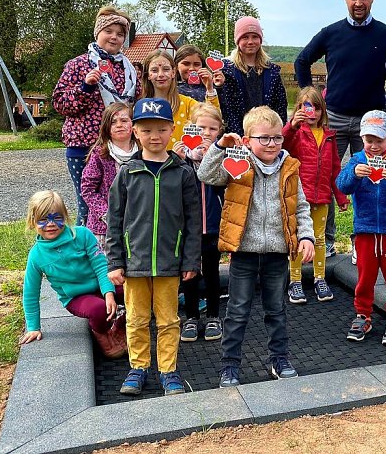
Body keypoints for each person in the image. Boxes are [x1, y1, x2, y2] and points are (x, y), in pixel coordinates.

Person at [197, 106, 315, 387]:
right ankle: (230, 365)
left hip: (277, 253)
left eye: (276, 138)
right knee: (237, 311)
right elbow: (206, 175)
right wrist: (219, 146)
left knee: (276, 309)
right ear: (248, 140)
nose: (272, 143)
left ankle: (279, 358)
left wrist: (307, 236)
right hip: (243, 252)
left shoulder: (290, 167)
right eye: (264, 138)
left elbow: (300, 207)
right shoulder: (238, 163)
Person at [295, 0, 386, 257]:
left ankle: (363, 241)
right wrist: (310, 98)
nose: (359, 2)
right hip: (333, 116)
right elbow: (302, 60)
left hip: (373, 121)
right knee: (324, 180)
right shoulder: (331, 33)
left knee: (372, 180)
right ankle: (325, 240)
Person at [105, 98, 202, 395]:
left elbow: (193, 221)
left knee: (169, 319)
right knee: (135, 318)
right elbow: (115, 220)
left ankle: (168, 370)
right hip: (134, 263)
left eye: (161, 129)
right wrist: (115, 261)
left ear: (172, 129)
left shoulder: (183, 172)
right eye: (147, 130)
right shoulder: (128, 172)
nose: (155, 136)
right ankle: (139, 367)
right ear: (135, 132)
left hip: (169, 263)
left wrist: (190, 260)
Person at [52, 6, 140, 225]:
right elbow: (60, 103)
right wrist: (85, 87)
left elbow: (137, 104)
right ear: (97, 33)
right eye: (109, 31)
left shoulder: (129, 70)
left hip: (120, 148)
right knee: (88, 206)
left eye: (120, 34)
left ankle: (119, 256)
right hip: (83, 146)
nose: (114, 37)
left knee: (124, 204)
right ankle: (88, 254)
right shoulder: (78, 64)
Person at [336, 110, 386, 345]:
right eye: (369, 140)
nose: (373, 146)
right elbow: (342, 185)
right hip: (365, 231)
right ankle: (362, 314)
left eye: (378, 140)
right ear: (361, 138)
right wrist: (353, 174)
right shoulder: (357, 160)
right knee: (365, 276)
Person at [20, 190, 126, 359]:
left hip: (102, 284)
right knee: (99, 309)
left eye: (56, 217)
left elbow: (100, 266)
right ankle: (102, 332)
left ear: (65, 216)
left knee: (137, 289)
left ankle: (122, 323)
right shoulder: (36, 256)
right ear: (33, 222)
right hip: (77, 297)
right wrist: (33, 326)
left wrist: (108, 293)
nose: (51, 224)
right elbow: (31, 292)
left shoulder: (83, 235)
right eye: (43, 220)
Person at [282, 86, 349, 304]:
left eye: (316, 108)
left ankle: (319, 278)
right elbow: (282, 144)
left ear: (322, 110)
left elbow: (335, 169)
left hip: (322, 197)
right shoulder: (296, 134)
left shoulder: (329, 136)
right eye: (305, 107)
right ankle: (295, 280)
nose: (312, 113)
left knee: (319, 239)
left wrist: (340, 196)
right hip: (299, 197)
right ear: (299, 109)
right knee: (297, 239)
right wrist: (291, 125)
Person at [172, 103, 226, 343]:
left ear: (220, 131)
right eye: (201, 127)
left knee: (213, 273)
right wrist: (181, 159)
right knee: (190, 274)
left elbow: (226, 184)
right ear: (190, 128)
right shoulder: (179, 157)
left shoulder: (224, 155)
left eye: (212, 129)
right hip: (188, 229)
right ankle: (191, 317)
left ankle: (214, 315)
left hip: (214, 225)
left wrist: (213, 156)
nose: (206, 133)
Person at [80, 102, 138, 250]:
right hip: (103, 228)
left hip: (137, 224)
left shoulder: (143, 153)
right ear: (107, 127)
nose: (119, 125)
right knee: (106, 269)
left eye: (124, 120)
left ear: (134, 125)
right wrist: (106, 213)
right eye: (113, 122)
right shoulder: (100, 154)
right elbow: (87, 189)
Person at [217, 17, 288, 137]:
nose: (250, 41)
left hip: (266, 136)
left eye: (255, 37)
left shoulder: (272, 72)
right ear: (237, 40)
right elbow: (227, 108)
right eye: (245, 37)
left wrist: (276, 134)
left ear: (260, 40)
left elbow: (280, 106)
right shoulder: (226, 70)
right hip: (237, 136)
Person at [141, 49, 220, 145]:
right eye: (154, 70)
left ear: (173, 72)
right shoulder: (141, 106)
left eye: (166, 69)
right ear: (148, 75)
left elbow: (213, 118)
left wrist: (210, 88)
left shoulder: (187, 104)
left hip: (182, 159)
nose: (161, 74)